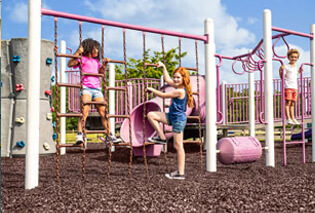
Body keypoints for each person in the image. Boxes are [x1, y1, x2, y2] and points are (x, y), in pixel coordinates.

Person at [68, 38, 120, 145]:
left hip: (97, 89)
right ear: (89, 48)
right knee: (84, 111)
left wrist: (104, 65)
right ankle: (79, 134)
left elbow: (100, 72)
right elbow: (70, 64)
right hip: (86, 88)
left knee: (104, 112)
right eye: (95, 49)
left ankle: (110, 135)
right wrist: (78, 52)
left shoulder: (96, 61)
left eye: (98, 49)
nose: (97, 51)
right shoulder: (82, 59)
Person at [146, 62, 194, 180]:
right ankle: (161, 137)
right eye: (175, 77)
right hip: (171, 116)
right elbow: (167, 79)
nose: (175, 79)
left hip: (178, 120)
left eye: (178, 77)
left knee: (178, 146)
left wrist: (152, 89)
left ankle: (180, 173)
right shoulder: (177, 86)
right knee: (151, 115)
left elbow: (163, 95)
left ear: (184, 78)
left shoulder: (181, 91)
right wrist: (163, 67)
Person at [279, 49, 301, 125]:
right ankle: (288, 118)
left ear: (297, 58)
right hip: (288, 87)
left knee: (292, 103)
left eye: (295, 57)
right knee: (288, 102)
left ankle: (293, 118)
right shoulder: (286, 67)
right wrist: (280, 70)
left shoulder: (295, 67)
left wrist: (299, 71)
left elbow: (294, 74)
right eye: (292, 57)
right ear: (288, 57)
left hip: (295, 87)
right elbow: (283, 77)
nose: (294, 59)